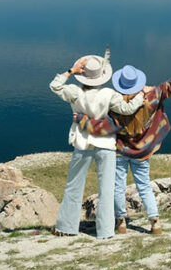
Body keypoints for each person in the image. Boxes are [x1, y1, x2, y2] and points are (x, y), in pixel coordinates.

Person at [72, 60, 171, 235]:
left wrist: (81, 119)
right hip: (142, 151)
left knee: (118, 187)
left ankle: (120, 222)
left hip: (120, 151)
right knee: (144, 186)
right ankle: (155, 222)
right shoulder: (152, 96)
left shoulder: (114, 104)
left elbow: (101, 124)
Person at [49, 47, 144, 239]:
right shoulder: (109, 94)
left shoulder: (74, 92)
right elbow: (127, 109)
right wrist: (141, 96)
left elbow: (55, 86)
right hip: (106, 145)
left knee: (74, 185)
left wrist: (70, 71)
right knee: (106, 189)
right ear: (102, 76)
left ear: (83, 76)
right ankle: (106, 232)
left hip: (82, 144)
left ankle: (66, 228)